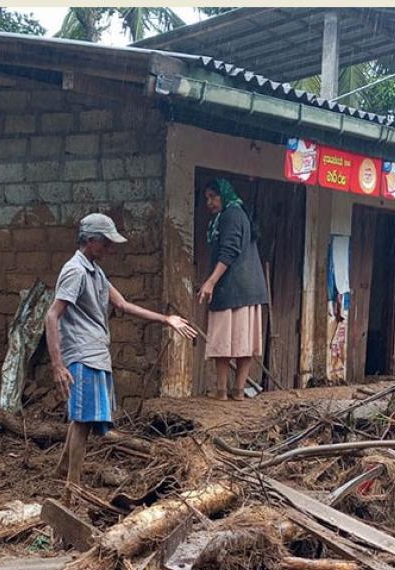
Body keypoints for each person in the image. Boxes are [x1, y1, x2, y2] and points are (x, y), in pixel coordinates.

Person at [46, 213, 197, 495]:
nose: (110, 249)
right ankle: (72, 486)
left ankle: (61, 473)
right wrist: (57, 365)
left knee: (84, 417)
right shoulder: (75, 271)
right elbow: (51, 316)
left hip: (95, 352)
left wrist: (166, 319)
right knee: (82, 421)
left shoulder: (95, 270)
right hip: (81, 353)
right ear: (91, 241)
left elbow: (123, 304)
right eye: (106, 243)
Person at [197, 179, 270, 401]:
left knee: (223, 341)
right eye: (207, 198)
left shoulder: (230, 215)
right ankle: (238, 391)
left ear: (224, 195)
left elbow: (229, 251)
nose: (209, 202)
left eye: (213, 196)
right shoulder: (237, 214)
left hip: (232, 288)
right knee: (243, 341)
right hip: (248, 288)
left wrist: (211, 281)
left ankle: (222, 391)